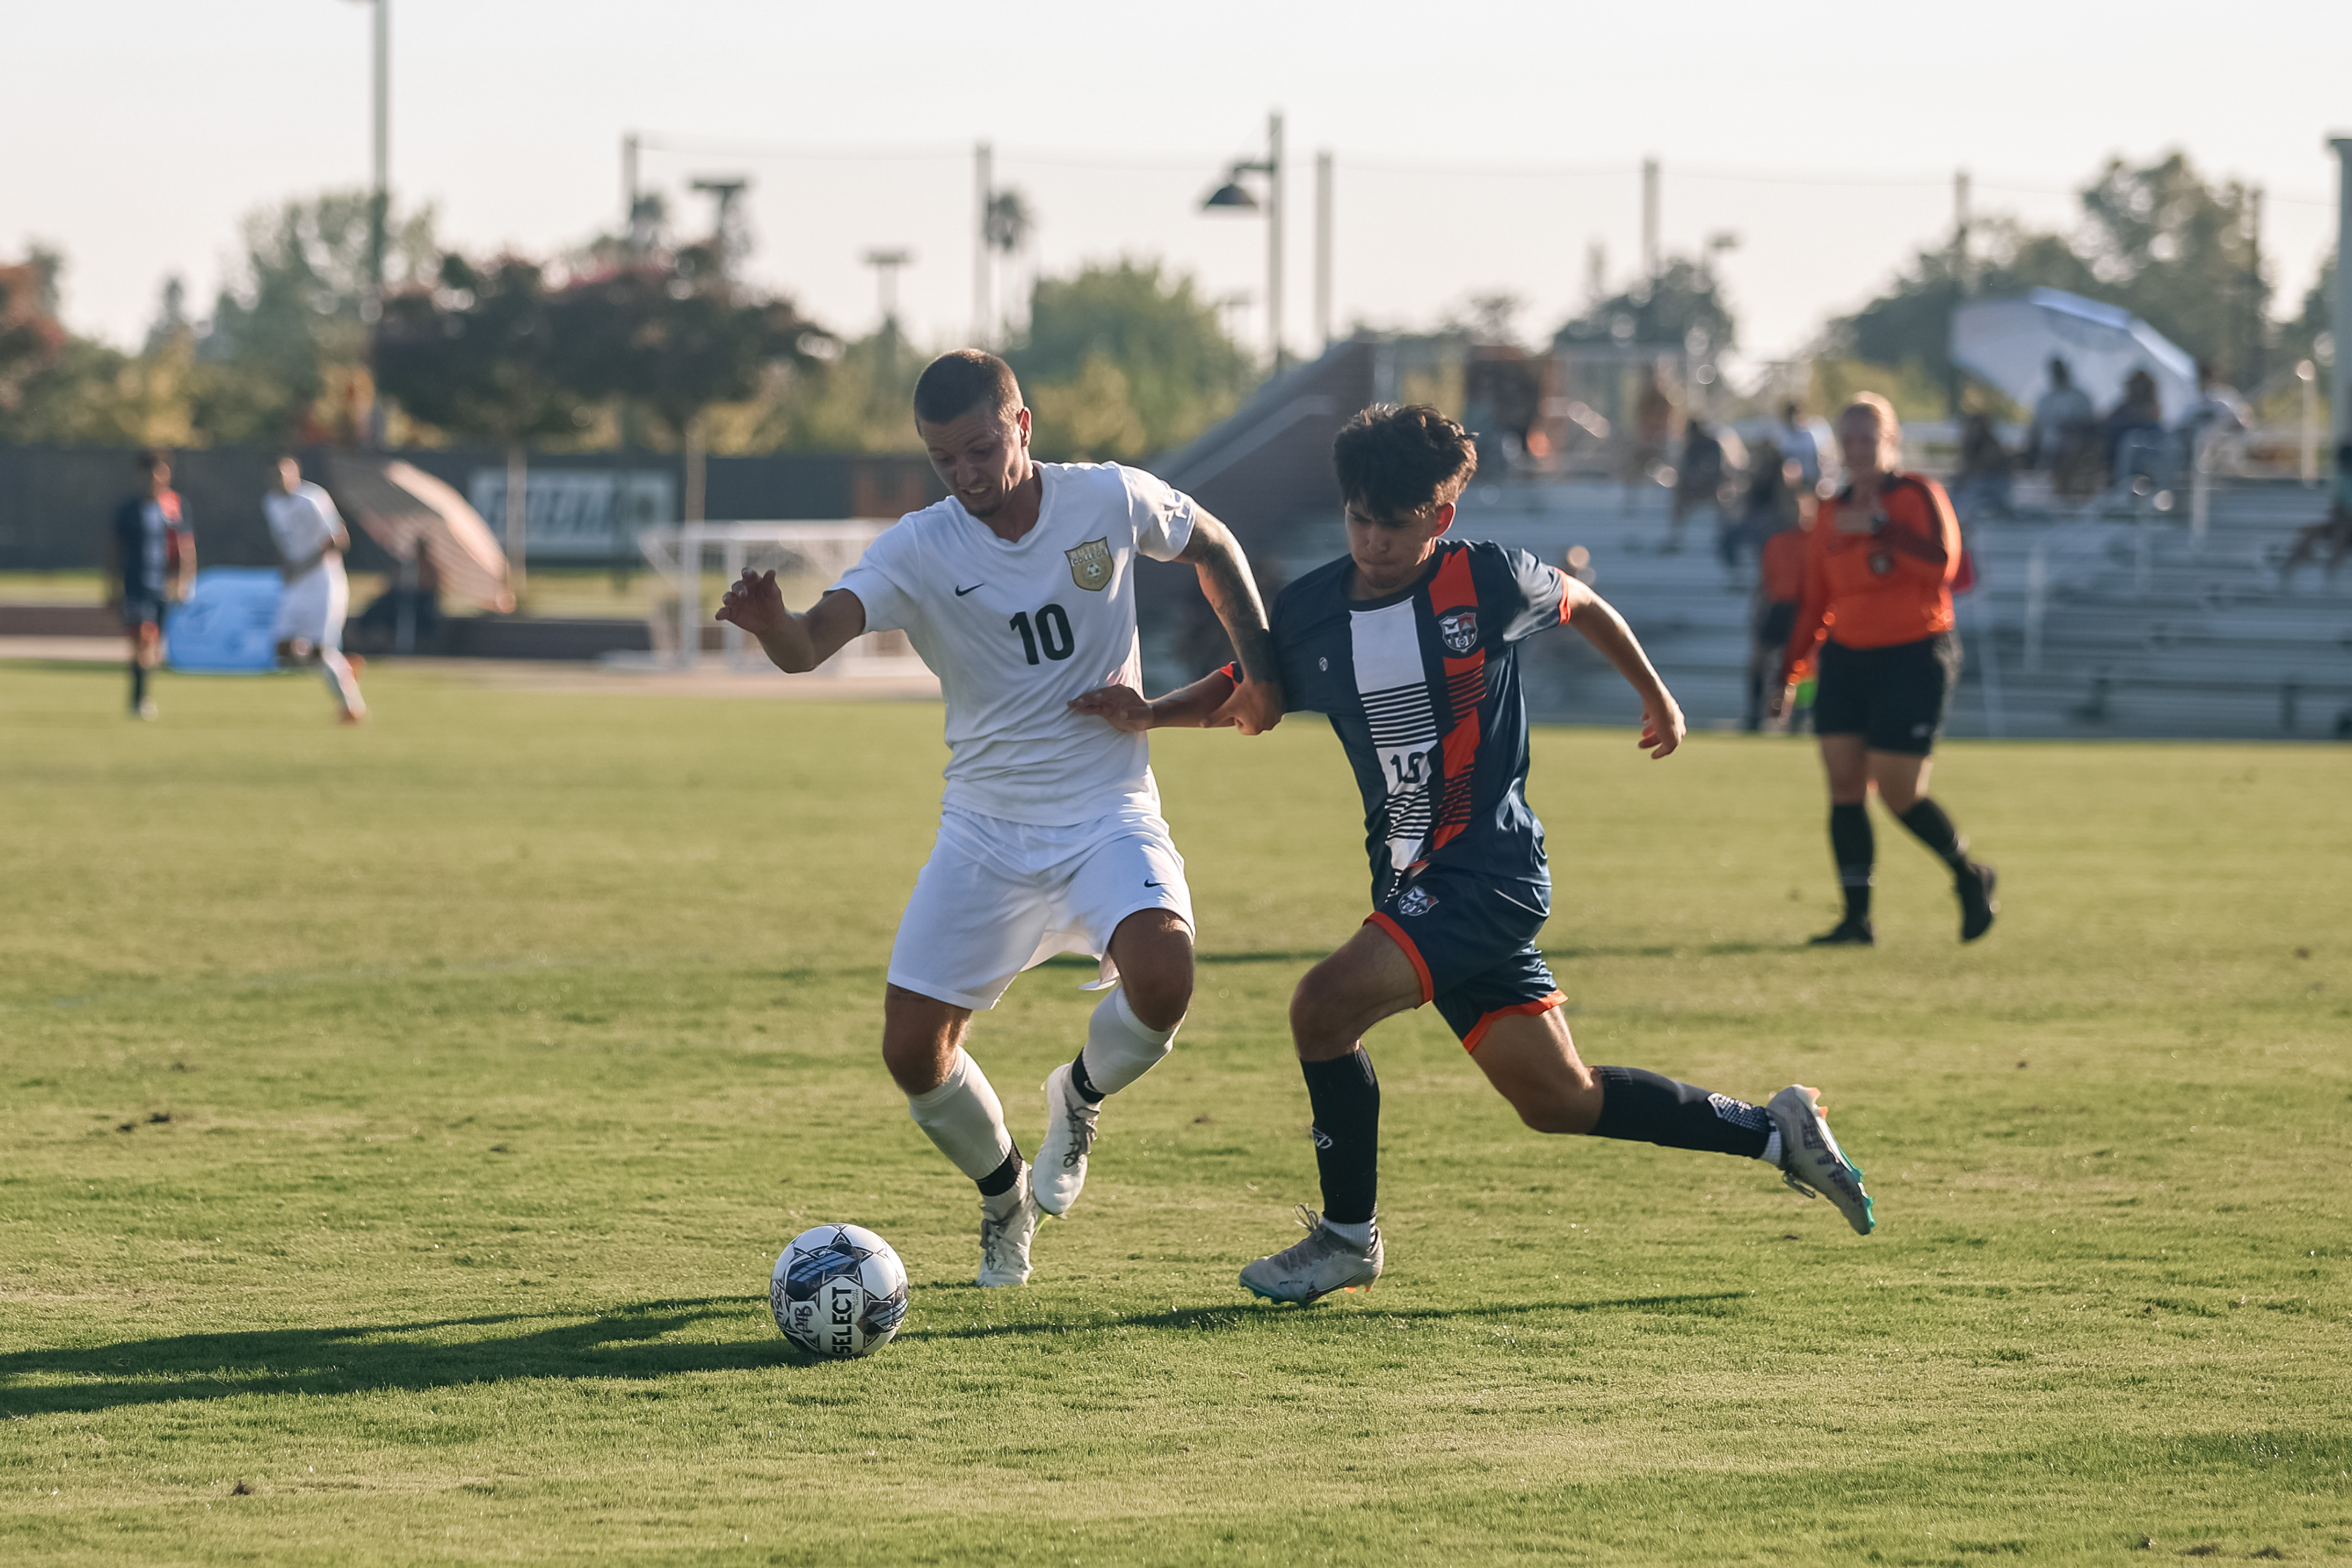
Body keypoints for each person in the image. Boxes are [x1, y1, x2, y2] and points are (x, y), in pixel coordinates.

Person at [1072, 404, 1877, 1306]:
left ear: (1441, 518)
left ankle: (1346, 1238)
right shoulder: (1312, 608)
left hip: (1486, 874)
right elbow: (1244, 686)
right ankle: (1776, 1131)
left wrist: (1658, 696)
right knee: (1558, 1099)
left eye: (1395, 524)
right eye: (1359, 520)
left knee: (1321, 1008)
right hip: (1413, 884)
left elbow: (1584, 605)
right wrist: (1151, 713)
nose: (1373, 541)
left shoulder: (1488, 579)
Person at [714, 350, 1282, 1288]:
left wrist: (1260, 674)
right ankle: (1004, 1194)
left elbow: (1213, 544)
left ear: (1022, 426)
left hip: (1106, 810)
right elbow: (809, 645)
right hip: (987, 827)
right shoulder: (920, 548)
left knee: (1166, 976)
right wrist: (773, 623)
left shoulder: (1106, 498)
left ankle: (1079, 1097)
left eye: (981, 450)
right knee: (912, 1053)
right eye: (944, 460)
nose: (966, 475)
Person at [1774, 393, 1997, 946]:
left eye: (1867, 438)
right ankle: (1857, 921)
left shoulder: (1917, 494)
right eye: (1848, 438)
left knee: (1899, 792)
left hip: (1913, 655)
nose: (1856, 448)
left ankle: (1969, 875)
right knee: (1845, 784)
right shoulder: (1830, 511)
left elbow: (1944, 567)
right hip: (1847, 658)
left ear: (1890, 441)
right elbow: (1816, 600)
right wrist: (1790, 672)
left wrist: (1881, 528)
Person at [263, 455, 366, 723]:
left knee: (322, 650)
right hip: (296, 584)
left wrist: (305, 565)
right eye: (275, 474)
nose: (279, 480)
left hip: (323, 582)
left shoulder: (312, 498)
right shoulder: (271, 503)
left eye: (284, 474)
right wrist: (288, 568)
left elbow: (339, 539)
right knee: (282, 651)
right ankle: (344, 669)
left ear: (296, 474)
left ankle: (351, 708)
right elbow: (284, 542)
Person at [105, 450, 195, 720]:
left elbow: (186, 548)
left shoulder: (176, 506)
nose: (156, 478)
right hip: (136, 585)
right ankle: (138, 701)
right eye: (150, 473)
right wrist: (112, 587)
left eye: (161, 472)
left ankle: (141, 695)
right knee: (143, 637)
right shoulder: (128, 510)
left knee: (153, 646)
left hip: (163, 587)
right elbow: (115, 551)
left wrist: (184, 582)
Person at [1744, 469, 1812, 731]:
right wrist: (1757, 610)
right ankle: (1755, 712)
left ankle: (1799, 716)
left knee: (1802, 666)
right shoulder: (1776, 541)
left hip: (1805, 608)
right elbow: (1764, 583)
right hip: (1779, 607)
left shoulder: (1815, 542)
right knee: (1759, 660)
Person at [1667, 417, 1743, 554]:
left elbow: (1715, 469)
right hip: (1701, 489)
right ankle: (1676, 536)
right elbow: (1687, 471)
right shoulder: (1697, 446)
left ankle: (1677, 536)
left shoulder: (1706, 446)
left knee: (1728, 499)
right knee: (1678, 498)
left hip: (1709, 489)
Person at [1947, 413, 2015, 522]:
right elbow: (1966, 469)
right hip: (1979, 484)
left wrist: (1967, 481)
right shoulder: (1969, 445)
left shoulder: (1990, 446)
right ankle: (1952, 517)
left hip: (1992, 484)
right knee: (1957, 484)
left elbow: (1980, 469)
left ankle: (1959, 519)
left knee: (1970, 492)